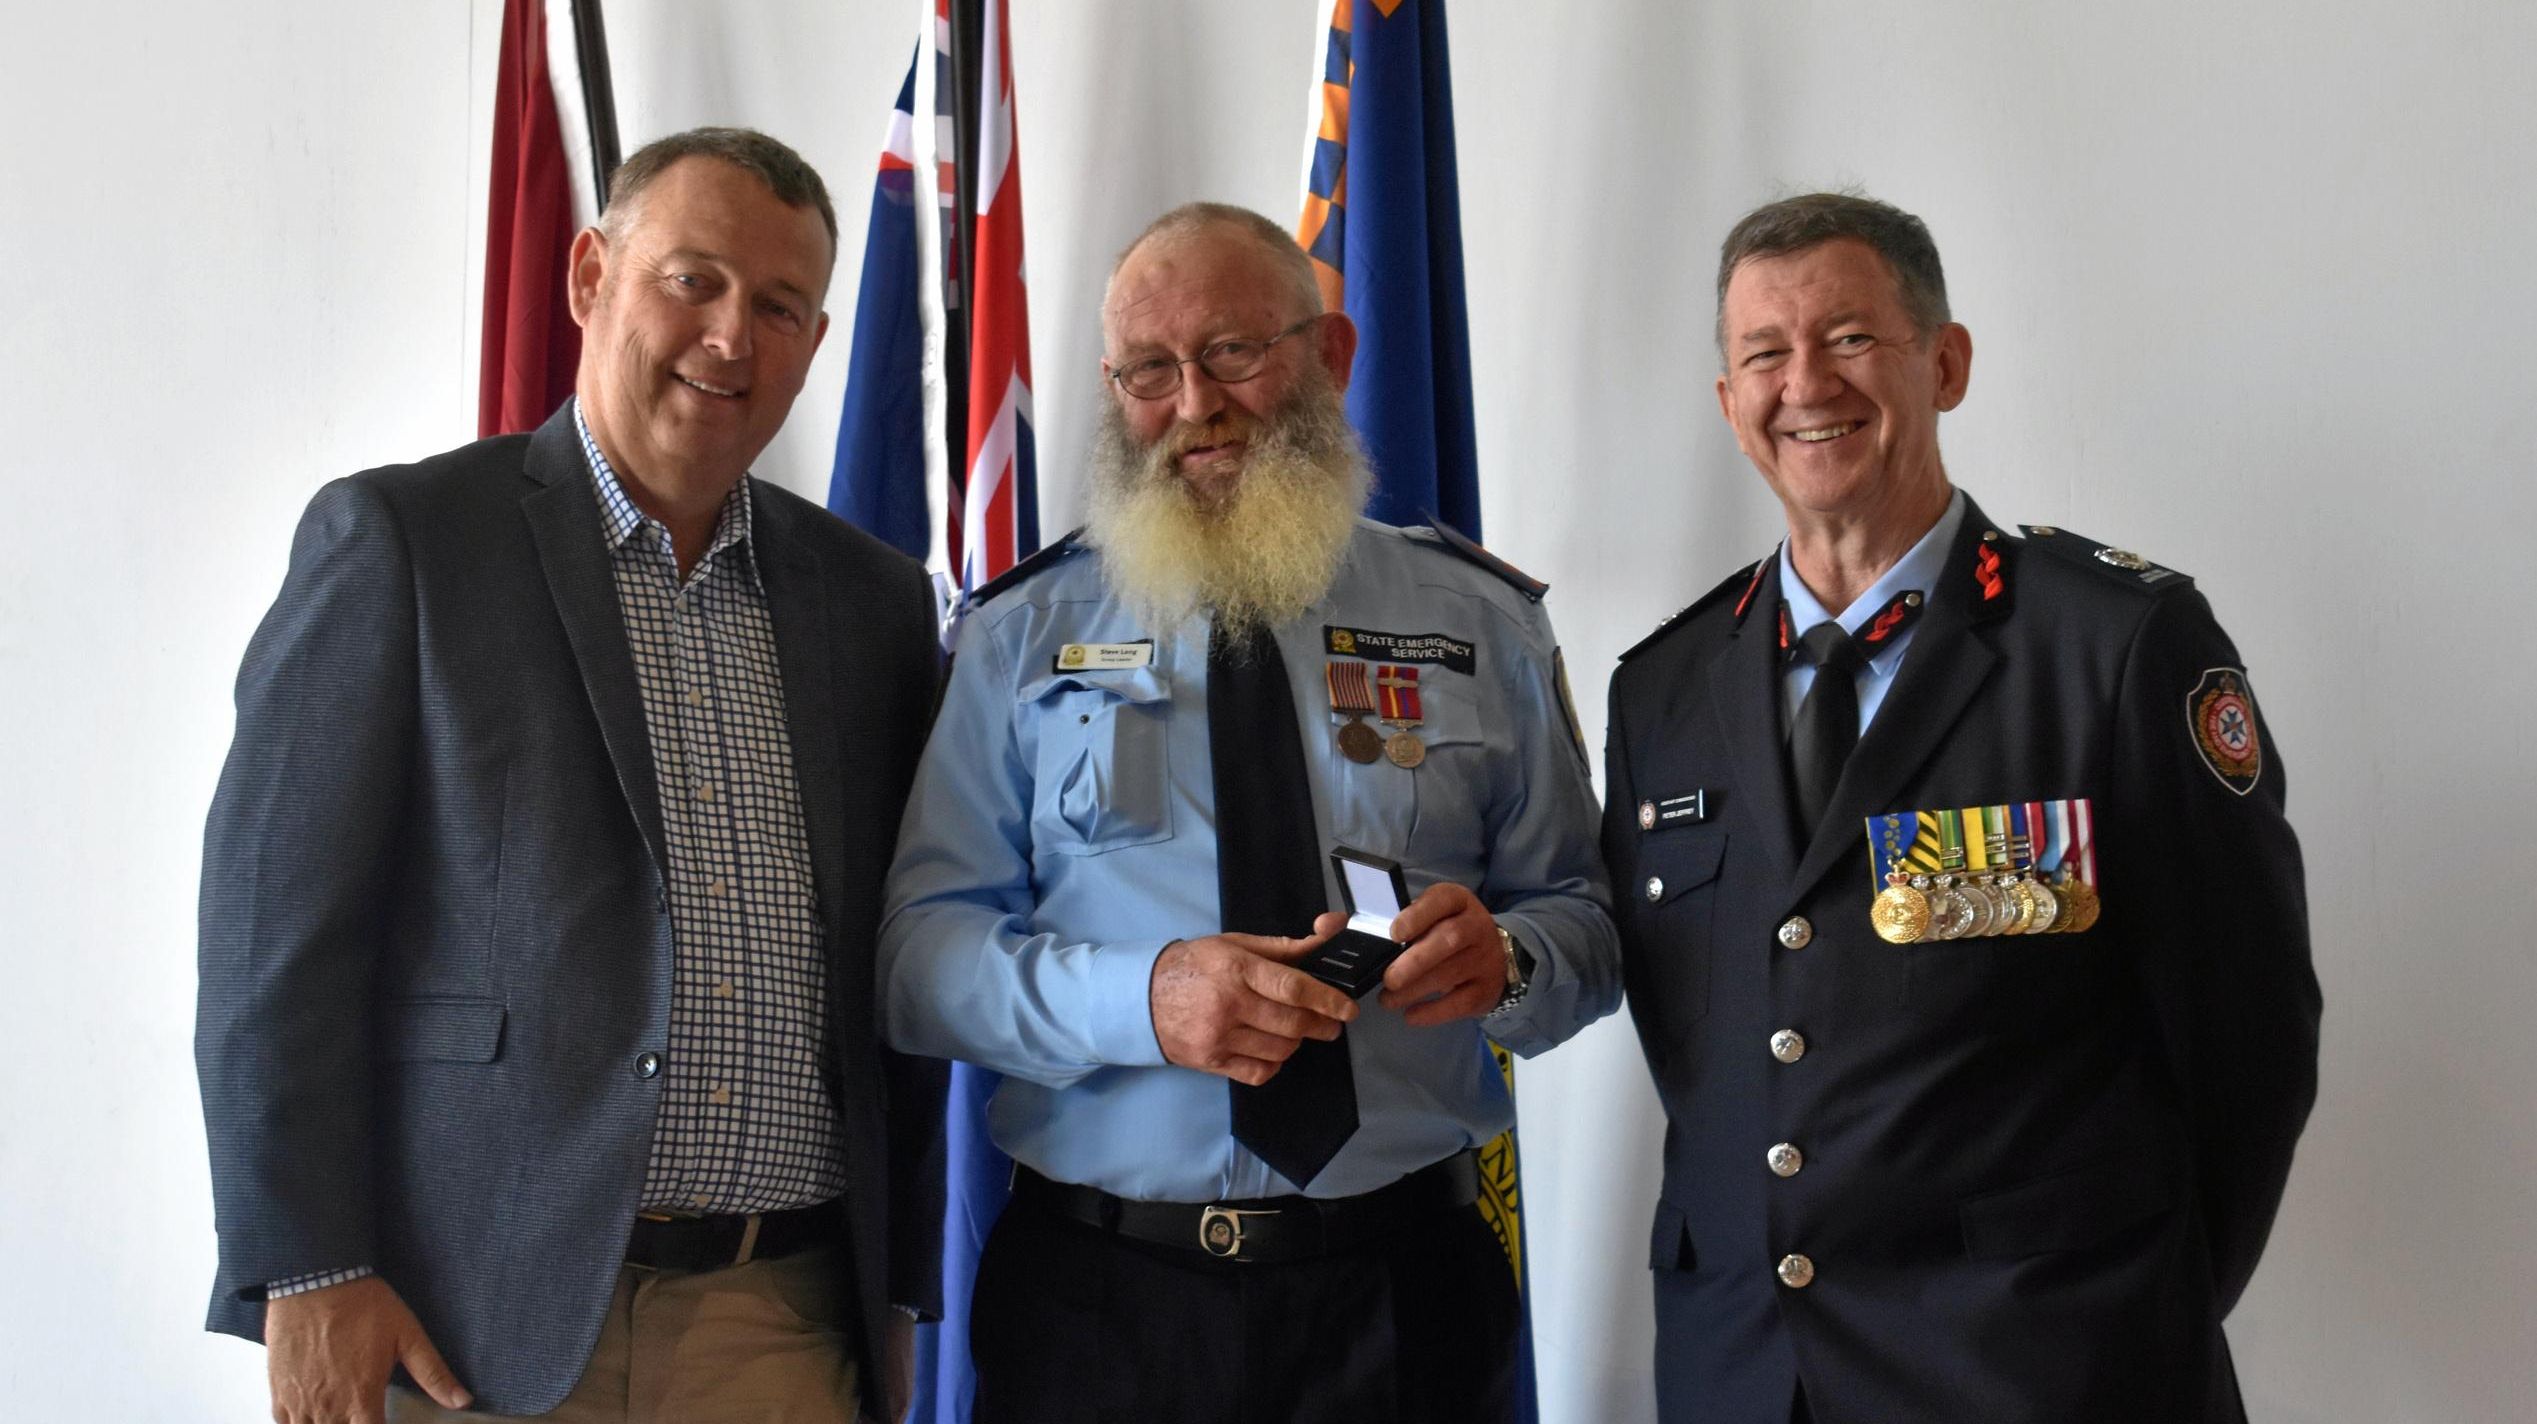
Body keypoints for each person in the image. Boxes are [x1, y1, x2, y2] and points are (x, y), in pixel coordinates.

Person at [196, 127, 944, 1424]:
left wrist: (895, 1296)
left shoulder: (871, 607)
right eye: (691, 280)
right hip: (471, 1319)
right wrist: (305, 1266)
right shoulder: (406, 546)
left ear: (816, 346)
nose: (730, 337)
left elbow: (892, 977)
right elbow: (274, 941)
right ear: (592, 276)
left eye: (777, 306)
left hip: (780, 1320)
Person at [878, 202, 1619, 1424]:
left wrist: (1514, 958)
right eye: (1147, 370)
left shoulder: (1480, 621)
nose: (1193, 404)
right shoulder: (1016, 635)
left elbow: (1584, 920)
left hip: (1407, 1291)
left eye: (1231, 351)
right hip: (1102, 1303)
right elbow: (920, 962)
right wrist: (1147, 997)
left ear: (1328, 355)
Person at [1601, 191, 2322, 1423]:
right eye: (1762, 354)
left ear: (1945, 362)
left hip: (2043, 1368)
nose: (1803, 382)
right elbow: (1701, 1042)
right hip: (1747, 1372)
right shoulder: (1660, 686)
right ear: (1727, 406)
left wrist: (2128, 1302)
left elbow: (2247, 1034)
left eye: (1847, 338)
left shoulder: (2112, 646)